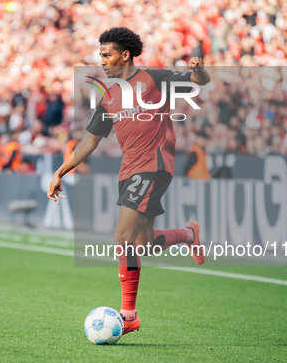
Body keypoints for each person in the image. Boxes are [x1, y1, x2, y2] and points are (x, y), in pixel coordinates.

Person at [47, 27, 210, 335]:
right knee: (143, 244)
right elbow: (89, 141)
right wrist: (61, 171)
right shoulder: (108, 99)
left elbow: (197, 82)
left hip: (154, 166)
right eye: (100, 57)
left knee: (121, 237)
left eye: (107, 55)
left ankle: (129, 315)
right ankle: (189, 234)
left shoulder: (155, 80)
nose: (102, 62)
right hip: (129, 171)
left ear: (125, 55)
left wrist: (200, 73)